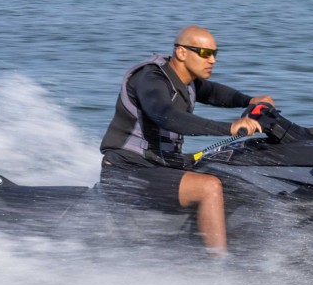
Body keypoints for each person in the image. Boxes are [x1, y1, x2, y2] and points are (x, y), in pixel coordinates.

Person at [99, 26, 272, 256]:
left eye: (215, 54)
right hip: (126, 171)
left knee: (230, 170)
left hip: (158, 166)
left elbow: (213, 93)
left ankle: (226, 249)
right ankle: (219, 268)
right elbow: (167, 116)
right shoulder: (149, 79)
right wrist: (228, 127)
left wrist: (250, 100)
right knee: (208, 187)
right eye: (204, 53)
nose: (212, 60)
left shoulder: (187, 80)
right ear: (181, 53)